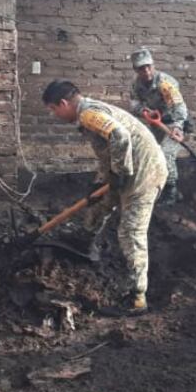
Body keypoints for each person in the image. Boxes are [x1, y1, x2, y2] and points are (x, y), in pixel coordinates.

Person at [42, 80, 168, 316]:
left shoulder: (89, 114)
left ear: (63, 103)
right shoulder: (90, 113)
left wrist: (119, 173)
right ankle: (85, 240)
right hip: (133, 169)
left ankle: (137, 297)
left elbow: (120, 136)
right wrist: (100, 181)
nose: (54, 115)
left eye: (53, 109)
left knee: (131, 232)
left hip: (145, 174)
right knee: (99, 202)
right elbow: (107, 151)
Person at [128, 48, 188, 205]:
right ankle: (153, 187)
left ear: (153, 65)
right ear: (136, 69)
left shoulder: (165, 83)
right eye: (141, 68)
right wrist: (144, 110)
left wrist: (177, 127)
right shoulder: (136, 85)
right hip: (155, 122)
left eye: (148, 66)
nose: (146, 71)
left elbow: (178, 107)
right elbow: (134, 104)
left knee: (165, 154)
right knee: (146, 151)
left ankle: (171, 190)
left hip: (174, 122)